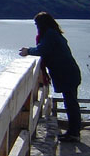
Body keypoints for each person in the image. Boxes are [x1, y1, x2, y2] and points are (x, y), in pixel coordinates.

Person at [19, 11, 82, 142]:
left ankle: (74, 133)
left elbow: (42, 49)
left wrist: (28, 51)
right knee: (71, 102)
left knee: (71, 103)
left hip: (67, 74)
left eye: (37, 24)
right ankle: (73, 131)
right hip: (69, 72)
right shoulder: (54, 33)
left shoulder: (50, 35)